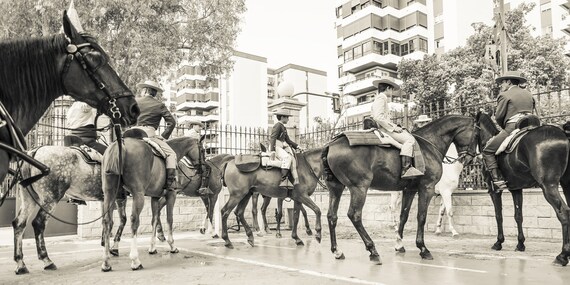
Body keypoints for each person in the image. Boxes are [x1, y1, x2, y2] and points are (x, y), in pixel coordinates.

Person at [482, 71, 535, 193]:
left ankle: (497, 180)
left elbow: (499, 117)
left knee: (488, 151)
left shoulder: (504, 95)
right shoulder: (528, 94)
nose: (501, 85)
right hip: (532, 124)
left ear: (509, 82)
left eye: (502, 82)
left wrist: (504, 128)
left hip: (514, 126)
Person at [371, 77, 422, 179]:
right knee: (409, 139)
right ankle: (406, 169)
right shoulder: (382, 98)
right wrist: (394, 128)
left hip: (384, 128)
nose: (392, 92)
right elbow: (378, 117)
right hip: (384, 130)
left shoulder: (379, 98)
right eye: (392, 89)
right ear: (388, 88)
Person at [132, 80, 179, 191]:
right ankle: (170, 183)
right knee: (171, 154)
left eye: (142, 89)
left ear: (145, 90)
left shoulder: (134, 101)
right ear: (154, 93)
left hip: (131, 132)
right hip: (148, 134)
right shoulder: (159, 105)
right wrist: (163, 136)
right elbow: (172, 122)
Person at [269, 108, 303, 187]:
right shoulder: (277, 126)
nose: (288, 119)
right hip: (276, 147)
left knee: (290, 157)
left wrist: (297, 146)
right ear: (282, 117)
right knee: (287, 157)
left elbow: (288, 140)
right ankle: (283, 180)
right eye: (287, 117)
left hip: (279, 147)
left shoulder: (283, 127)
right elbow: (273, 138)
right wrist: (272, 151)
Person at [186, 120, 212, 195]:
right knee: (207, 168)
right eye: (199, 126)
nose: (200, 128)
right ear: (194, 125)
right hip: (192, 155)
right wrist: (204, 145)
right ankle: (202, 187)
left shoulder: (189, 132)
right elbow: (198, 146)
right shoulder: (194, 134)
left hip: (187, 154)